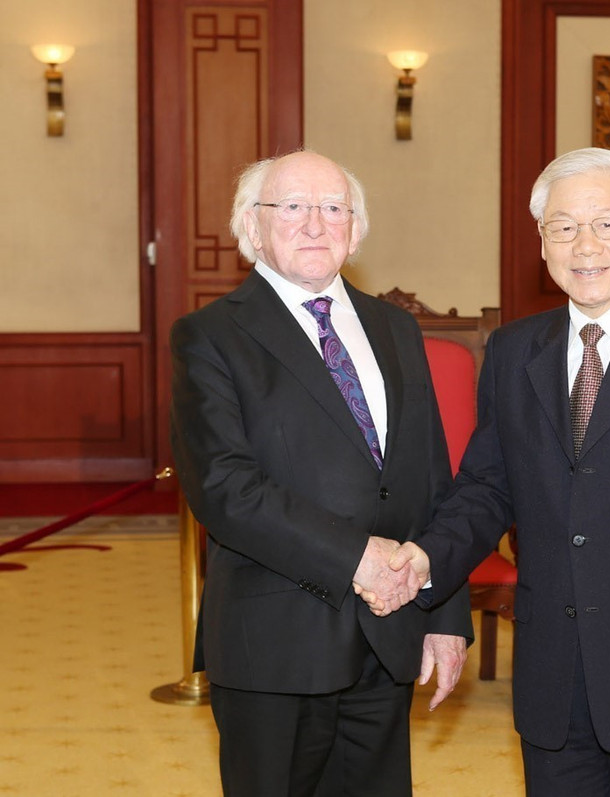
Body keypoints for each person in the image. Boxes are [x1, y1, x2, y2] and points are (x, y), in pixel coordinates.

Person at [367, 147, 610, 795]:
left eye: (606, 223)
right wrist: (422, 557)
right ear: (543, 242)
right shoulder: (513, 350)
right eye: (564, 226)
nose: (586, 245)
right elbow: (486, 487)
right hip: (552, 673)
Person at [169, 149, 472, 797]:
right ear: (252, 227)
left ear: (355, 229)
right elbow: (226, 488)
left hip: (388, 636)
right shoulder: (210, 335)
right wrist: (356, 557)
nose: (315, 223)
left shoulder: (396, 328)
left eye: (334, 208)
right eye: (293, 207)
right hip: (275, 645)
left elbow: (429, 483)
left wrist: (445, 612)